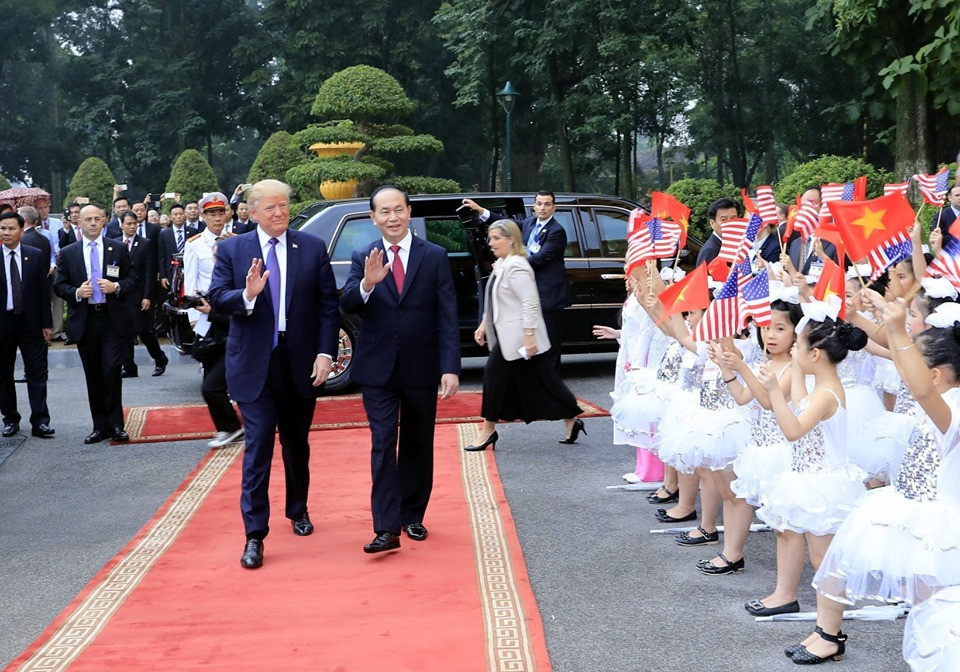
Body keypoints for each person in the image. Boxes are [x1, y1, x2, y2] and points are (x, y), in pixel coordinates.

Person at [208, 179, 339, 570]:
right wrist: (246, 295)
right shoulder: (234, 249)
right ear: (251, 211)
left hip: (299, 361)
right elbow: (217, 298)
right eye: (270, 208)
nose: (279, 213)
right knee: (259, 444)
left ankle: (298, 509)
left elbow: (327, 305)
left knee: (296, 443)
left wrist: (324, 352)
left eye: (284, 206)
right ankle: (254, 534)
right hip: (254, 364)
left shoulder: (311, 247)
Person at [341, 184, 461, 555]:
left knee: (417, 441)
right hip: (378, 368)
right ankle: (386, 528)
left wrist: (450, 367)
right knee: (382, 443)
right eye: (384, 212)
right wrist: (366, 283)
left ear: (409, 212)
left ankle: (413, 515)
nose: (392, 217)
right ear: (374, 217)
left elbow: (447, 314)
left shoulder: (434, 255)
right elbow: (346, 302)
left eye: (398, 210)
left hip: (422, 366)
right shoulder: (364, 255)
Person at [468, 218, 583, 454]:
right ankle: (571, 416)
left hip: (520, 338)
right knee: (545, 380)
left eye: (497, 238)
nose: (491, 243)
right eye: (490, 238)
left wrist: (529, 336)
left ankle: (487, 430)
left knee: (493, 377)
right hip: (509, 336)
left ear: (512, 240)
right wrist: (483, 324)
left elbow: (530, 302)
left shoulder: (518, 266)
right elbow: (495, 299)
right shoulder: (502, 264)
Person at [54, 204, 135, 444]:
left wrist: (116, 286)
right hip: (86, 319)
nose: (91, 223)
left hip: (111, 318)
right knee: (93, 373)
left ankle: (117, 425)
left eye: (96, 219)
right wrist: (77, 292)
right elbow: (59, 286)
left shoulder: (118, 248)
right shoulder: (68, 252)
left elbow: (132, 279)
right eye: (87, 219)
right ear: (79, 222)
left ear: (104, 221)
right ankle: (99, 426)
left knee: (111, 370)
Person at [462, 191, 572, 369]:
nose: (542, 208)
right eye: (539, 204)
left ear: (554, 207)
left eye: (547, 204)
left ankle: (551, 384)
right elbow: (508, 227)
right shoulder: (529, 223)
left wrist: (508, 262)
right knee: (530, 349)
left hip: (548, 297)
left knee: (548, 345)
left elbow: (540, 258)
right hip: (525, 293)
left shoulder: (556, 231)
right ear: (534, 206)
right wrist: (481, 210)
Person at [183, 192, 243, 448]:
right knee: (211, 377)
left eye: (221, 213)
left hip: (235, 314)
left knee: (227, 377)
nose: (217, 218)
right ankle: (226, 427)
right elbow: (190, 284)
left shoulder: (240, 241)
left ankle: (235, 426)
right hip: (208, 317)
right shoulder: (195, 243)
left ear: (228, 214)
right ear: (203, 216)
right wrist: (194, 318)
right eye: (211, 214)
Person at [0, 211, 54, 439]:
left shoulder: (35, 255)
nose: (6, 233)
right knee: (3, 373)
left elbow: (43, 292)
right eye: (3, 228)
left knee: (37, 372)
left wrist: (47, 324)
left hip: (30, 322)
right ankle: (10, 418)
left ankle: (40, 421)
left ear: (22, 230)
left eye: (11, 228)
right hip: (3, 322)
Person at [117, 211, 168, 378]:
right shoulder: (115, 243)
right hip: (120, 295)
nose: (132, 227)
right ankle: (129, 366)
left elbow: (149, 273)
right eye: (129, 224)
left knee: (143, 330)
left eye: (135, 224)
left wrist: (147, 296)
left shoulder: (145, 244)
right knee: (123, 331)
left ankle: (160, 358)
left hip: (139, 295)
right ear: (121, 225)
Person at [696, 198, 740, 266]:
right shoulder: (710, 250)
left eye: (733, 218)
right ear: (712, 223)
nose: (729, 223)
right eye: (723, 219)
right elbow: (703, 276)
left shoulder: (732, 245)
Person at [933, 183, 960, 249]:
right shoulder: (940, 216)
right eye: (957, 195)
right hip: (950, 254)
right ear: (950, 197)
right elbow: (937, 238)